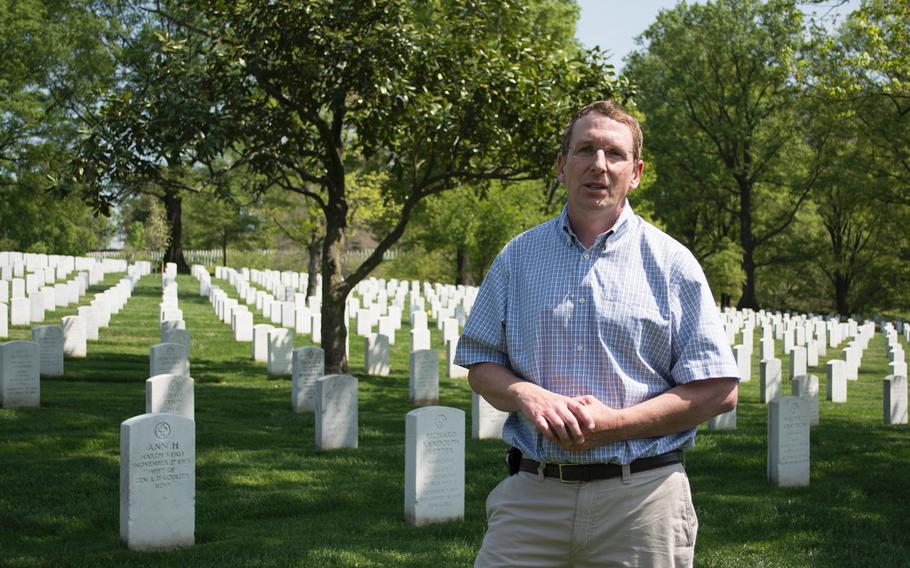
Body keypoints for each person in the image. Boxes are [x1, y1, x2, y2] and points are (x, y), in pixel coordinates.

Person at [454, 100, 740, 568]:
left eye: (614, 153)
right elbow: (481, 364)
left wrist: (614, 426)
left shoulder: (672, 264)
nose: (599, 165)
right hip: (533, 497)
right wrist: (527, 394)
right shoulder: (517, 257)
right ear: (562, 165)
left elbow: (719, 391)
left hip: (642, 501)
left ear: (637, 172)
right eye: (585, 149)